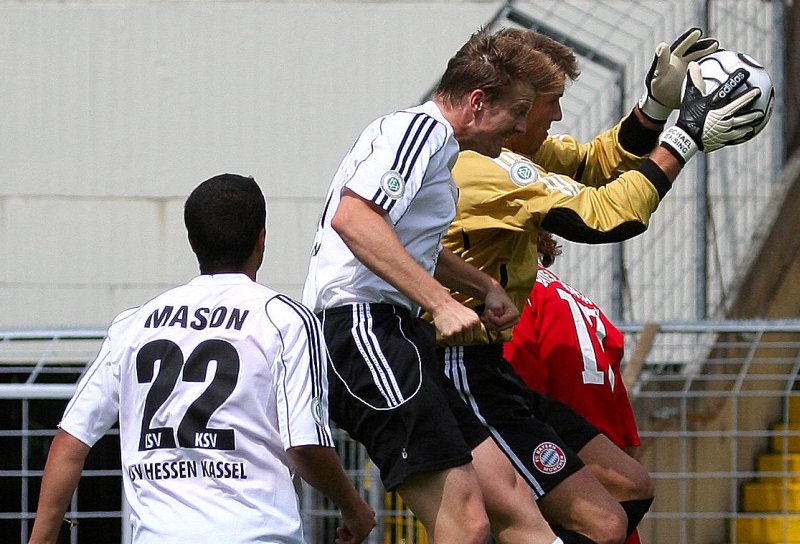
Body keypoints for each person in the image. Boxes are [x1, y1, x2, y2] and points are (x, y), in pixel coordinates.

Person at [437, 27, 764, 544]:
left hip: (488, 370)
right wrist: (687, 135)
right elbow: (608, 216)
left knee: (628, 486)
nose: (556, 116)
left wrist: (655, 108)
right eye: (551, 103)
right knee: (597, 523)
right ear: (510, 104)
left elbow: (593, 163)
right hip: (456, 369)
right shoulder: (483, 167)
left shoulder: (505, 149)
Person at [303, 28, 574, 544]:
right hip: (363, 331)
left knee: (515, 507)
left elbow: (408, 241)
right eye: (519, 110)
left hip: (397, 335)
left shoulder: (436, 149)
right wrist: (442, 303)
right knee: (466, 523)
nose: (522, 125)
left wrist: (479, 285)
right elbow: (355, 220)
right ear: (477, 102)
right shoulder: (419, 131)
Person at [28, 174, 376, 544]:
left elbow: (71, 442)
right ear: (262, 237)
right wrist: (353, 507)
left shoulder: (133, 324)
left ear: (192, 240)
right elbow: (304, 443)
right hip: (256, 535)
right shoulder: (285, 319)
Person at [503, 231, 644, 544]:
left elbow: (511, 415)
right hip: (610, 499)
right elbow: (629, 439)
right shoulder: (579, 301)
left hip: (564, 507)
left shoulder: (511, 298)